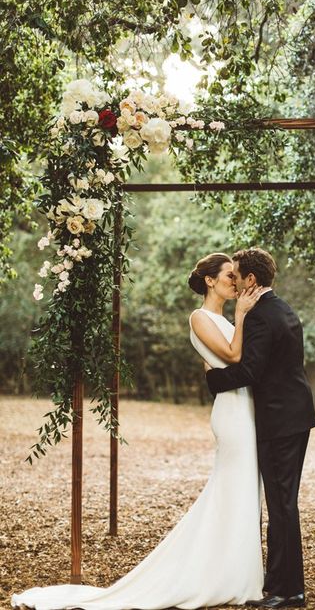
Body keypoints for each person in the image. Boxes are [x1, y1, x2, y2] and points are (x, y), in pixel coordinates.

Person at [11, 252, 264, 610]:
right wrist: (242, 315)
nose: (234, 281)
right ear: (210, 280)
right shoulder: (200, 318)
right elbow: (234, 356)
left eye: (235, 276)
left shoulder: (226, 319)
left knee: (244, 489)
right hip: (231, 415)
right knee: (232, 487)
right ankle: (221, 575)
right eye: (227, 275)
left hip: (246, 409)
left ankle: (236, 571)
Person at [206, 247, 315, 609]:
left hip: (279, 420)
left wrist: (213, 380)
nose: (234, 282)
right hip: (295, 417)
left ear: (251, 279)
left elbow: (250, 371)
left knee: (282, 505)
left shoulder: (257, 317)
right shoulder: (283, 308)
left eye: (236, 276)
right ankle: (281, 584)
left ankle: (287, 591)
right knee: (284, 503)